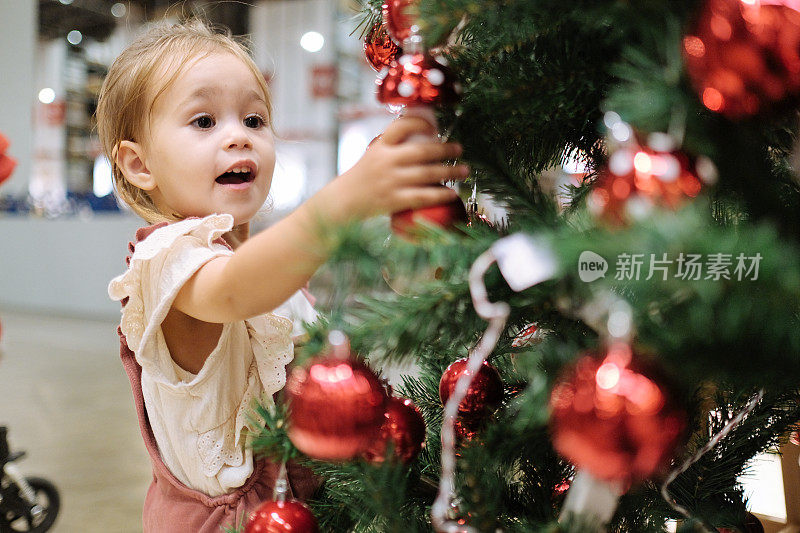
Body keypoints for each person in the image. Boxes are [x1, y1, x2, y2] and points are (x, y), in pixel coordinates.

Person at [97, 18, 468, 532]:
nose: (238, 138)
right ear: (140, 165)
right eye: (204, 121)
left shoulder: (267, 265)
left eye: (254, 119)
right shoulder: (163, 260)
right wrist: (347, 196)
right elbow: (231, 291)